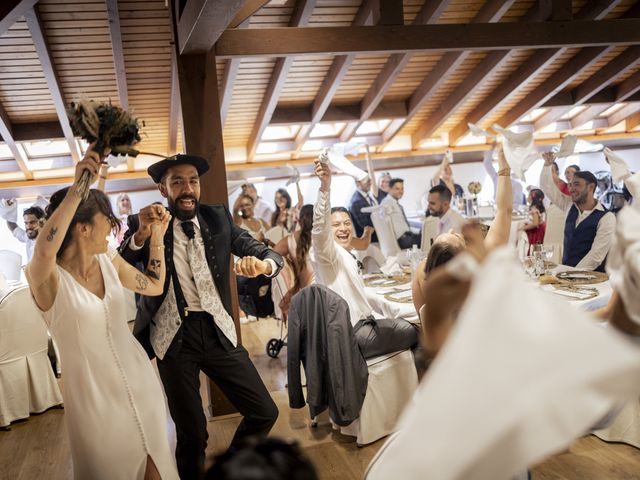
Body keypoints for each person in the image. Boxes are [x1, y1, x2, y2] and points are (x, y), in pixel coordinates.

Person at [119, 154, 283, 479]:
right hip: (174, 338)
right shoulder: (152, 223)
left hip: (219, 330)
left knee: (264, 411)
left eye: (192, 180)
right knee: (193, 435)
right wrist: (141, 233)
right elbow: (126, 258)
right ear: (162, 188)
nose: (187, 188)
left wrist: (264, 266)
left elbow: (264, 251)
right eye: (177, 181)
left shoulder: (217, 217)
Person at [25, 146, 177, 479]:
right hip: (94, 407)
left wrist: (157, 239)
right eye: (105, 219)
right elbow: (45, 247)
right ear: (82, 228)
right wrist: (81, 184)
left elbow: (153, 285)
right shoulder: (47, 280)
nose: (113, 225)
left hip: (142, 386)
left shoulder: (107, 260)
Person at [311, 159, 418, 359]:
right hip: (354, 333)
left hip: (363, 325)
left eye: (346, 223)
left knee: (408, 318)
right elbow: (319, 230)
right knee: (418, 330)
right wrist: (325, 187)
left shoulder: (344, 252)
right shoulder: (326, 253)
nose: (343, 228)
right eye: (335, 225)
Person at [412, 144, 513, 319]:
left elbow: (423, 320)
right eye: (456, 236)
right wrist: (504, 170)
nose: (452, 229)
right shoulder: (478, 271)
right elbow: (504, 211)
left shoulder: (422, 273)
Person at [540, 152, 615, 272]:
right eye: (570, 185)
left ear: (591, 187)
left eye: (576, 184)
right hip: (566, 276)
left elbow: (596, 256)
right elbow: (547, 188)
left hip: (592, 280)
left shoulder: (607, 217)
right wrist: (547, 165)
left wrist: (571, 274)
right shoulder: (569, 206)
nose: (571, 189)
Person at [272, 204, 315, 318]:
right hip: (324, 294)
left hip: (305, 294)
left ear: (299, 220)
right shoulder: (324, 237)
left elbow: (271, 255)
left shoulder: (290, 240)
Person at [381, 178, 421, 249]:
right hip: (401, 239)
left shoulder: (394, 203)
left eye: (402, 189)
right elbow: (384, 221)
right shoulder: (386, 203)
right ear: (390, 189)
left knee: (425, 235)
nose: (400, 191)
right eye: (397, 189)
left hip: (407, 236)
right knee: (426, 239)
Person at [348, 175, 378, 241]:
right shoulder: (356, 202)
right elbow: (366, 227)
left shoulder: (368, 197)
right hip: (369, 240)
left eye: (369, 180)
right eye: (366, 180)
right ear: (357, 183)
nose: (370, 182)